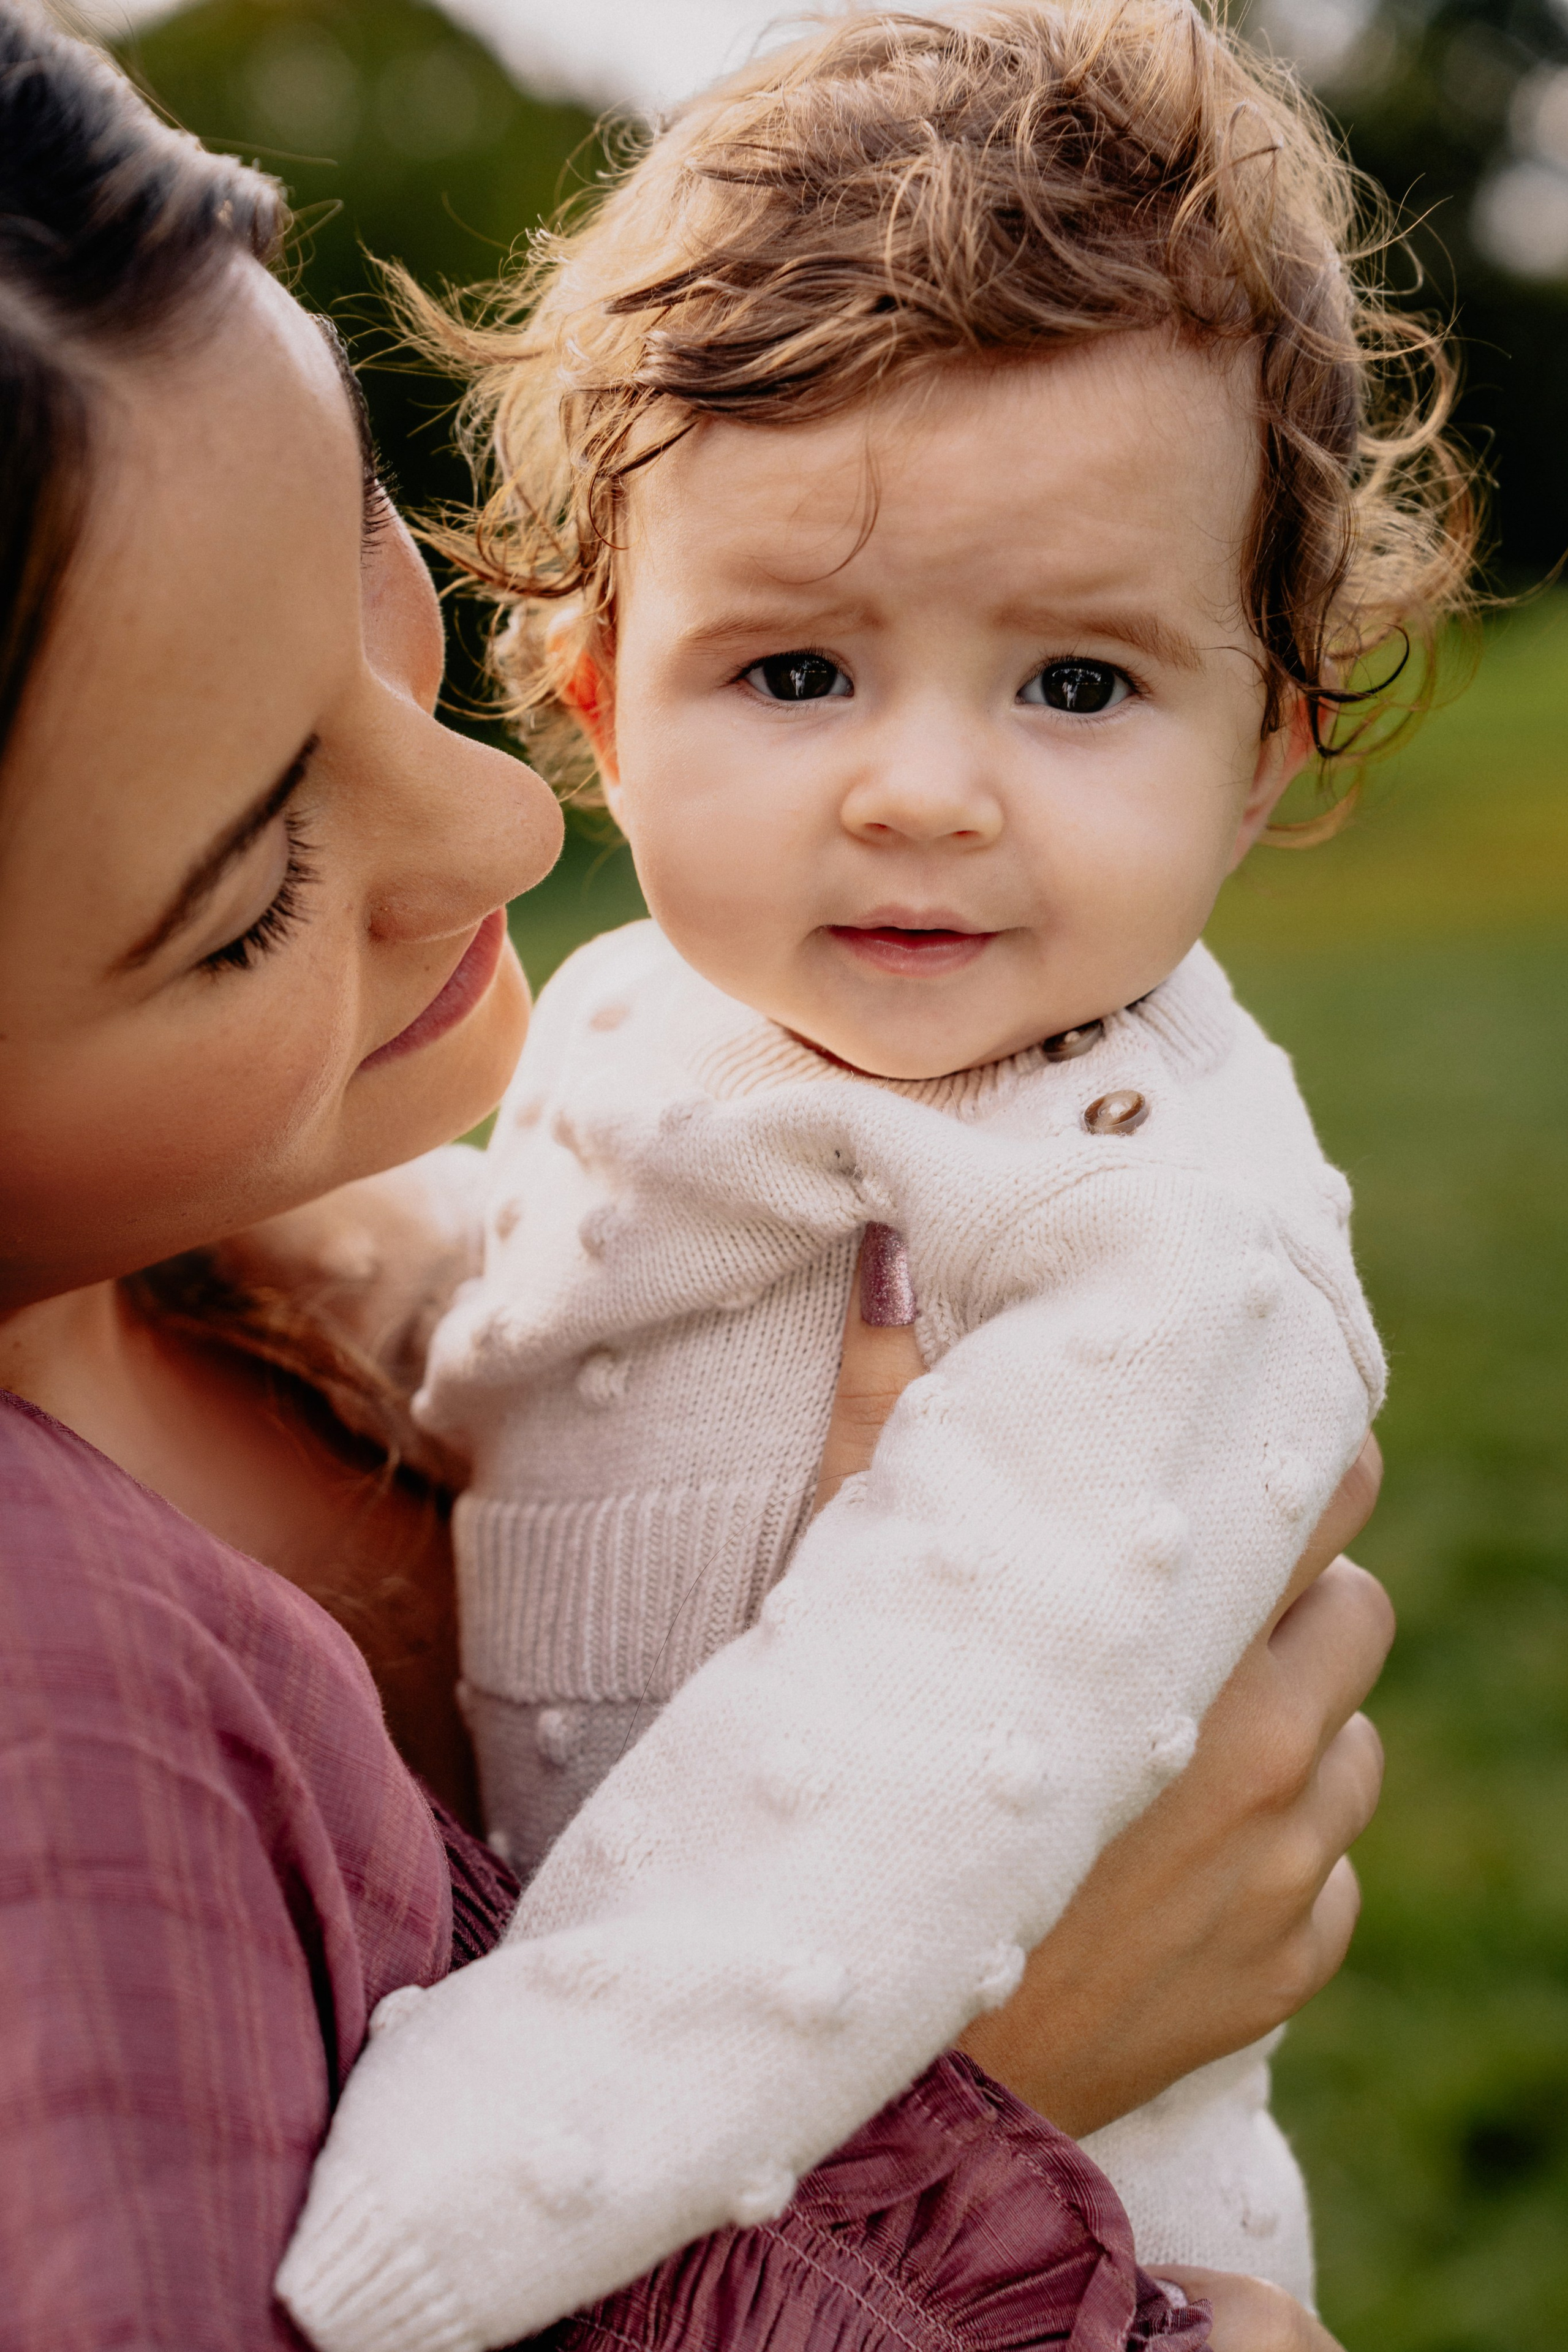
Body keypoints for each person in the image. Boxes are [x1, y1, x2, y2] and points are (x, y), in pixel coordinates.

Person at [0, 7, 1387, 2348]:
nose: (509, 827)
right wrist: (961, 2098)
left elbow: (877, 1788)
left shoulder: (1145, 1227)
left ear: (1275, 744)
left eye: (1076, 686)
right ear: (606, 664)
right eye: (246, 887)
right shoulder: (83, 1715)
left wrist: (477, 2167)